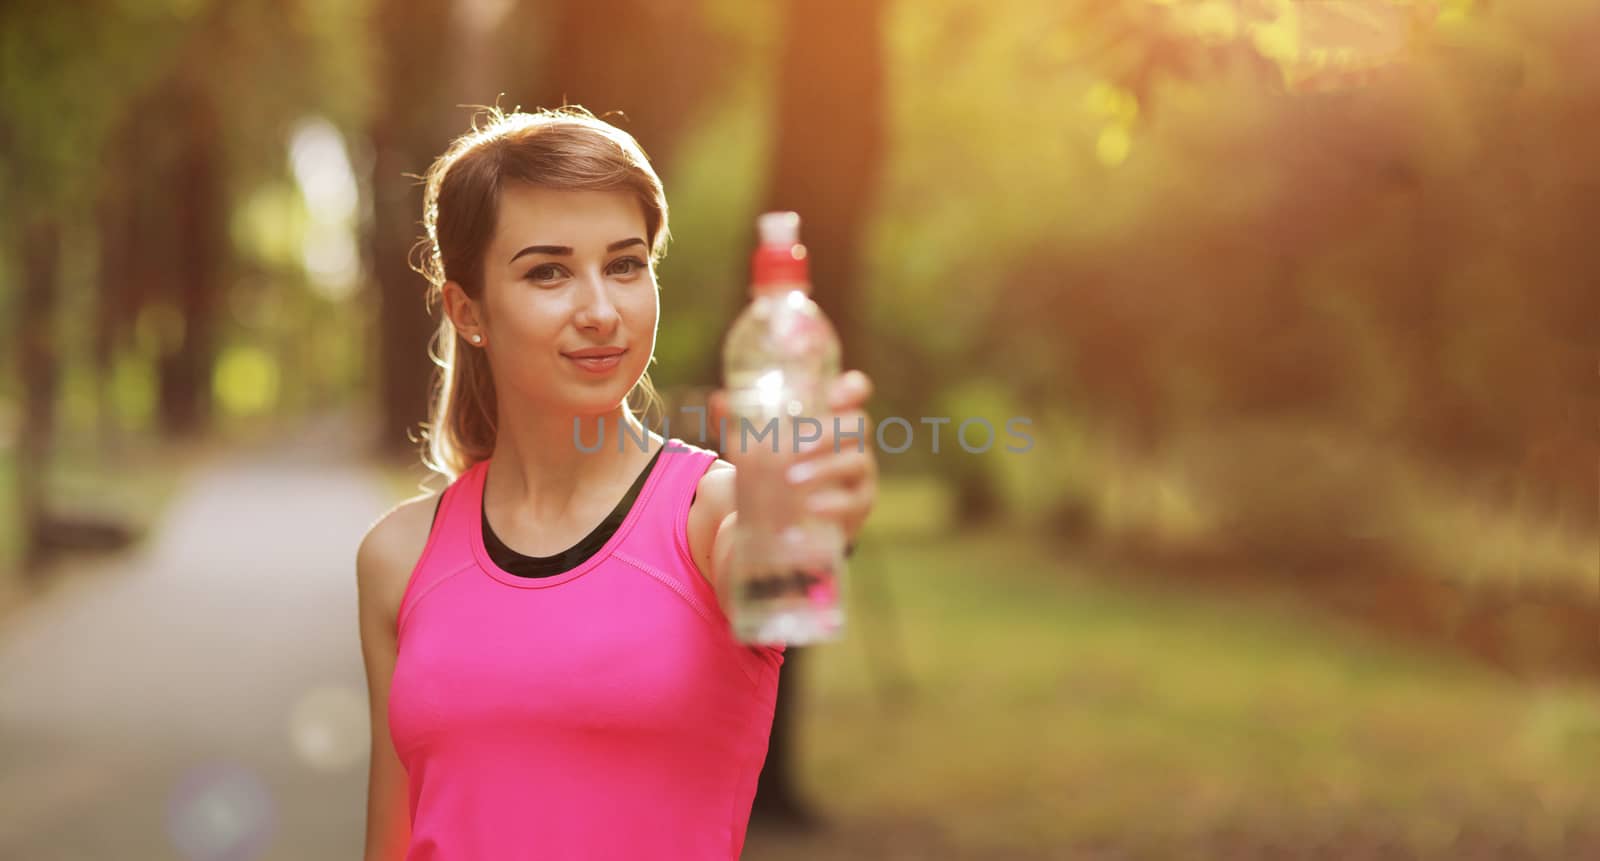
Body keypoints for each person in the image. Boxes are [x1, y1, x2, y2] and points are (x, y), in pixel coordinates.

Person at [355, 106, 879, 861]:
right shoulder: (397, 558)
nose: (601, 311)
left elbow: (769, 559)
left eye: (626, 264)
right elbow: (390, 843)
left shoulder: (710, 514)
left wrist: (812, 508)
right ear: (469, 311)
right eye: (548, 271)